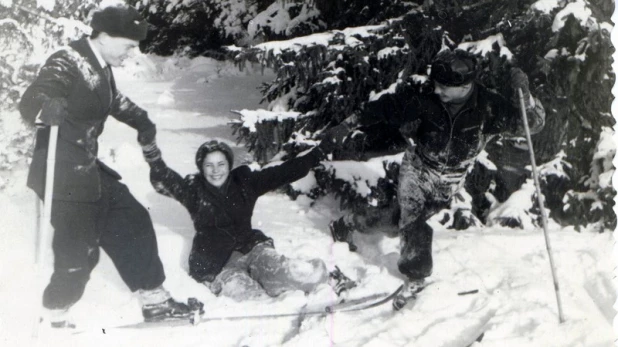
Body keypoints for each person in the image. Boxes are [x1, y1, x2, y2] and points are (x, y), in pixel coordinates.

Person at [19, 5, 193, 327]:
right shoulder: (67, 60)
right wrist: (45, 105)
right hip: (62, 174)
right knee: (80, 253)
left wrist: (141, 119)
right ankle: (53, 315)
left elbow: (110, 98)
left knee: (133, 219)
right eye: (128, 44)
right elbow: (35, 97)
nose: (132, 52)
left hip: (87, 169)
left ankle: (155, 300)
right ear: (105, 36)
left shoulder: (99, 65)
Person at [328, 49, 545, 301]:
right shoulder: (424, 99)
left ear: (464, 86)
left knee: (394, 223)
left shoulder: (488, 107)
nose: (437, 91)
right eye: (436, 85)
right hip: (419, 169)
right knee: (413, 220)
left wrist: (526, 97)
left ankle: (350, 222)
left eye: (444, 87)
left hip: (451, 180)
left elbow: (532, 125)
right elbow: (385, 107)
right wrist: (348, 124)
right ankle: (416, 276)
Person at [140, 136, 356, 300]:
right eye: (209, 165)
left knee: (286, 275)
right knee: (251, 298)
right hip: (217, 265)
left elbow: (286, 171)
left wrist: (321, 150)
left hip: (252, 248)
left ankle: (329, 278)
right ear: (201, 168)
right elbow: (162, 180)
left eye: (221, 164)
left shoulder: (245, 183)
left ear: (229, 165)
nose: (216, 171)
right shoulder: (192, 190)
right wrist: (152, 154)